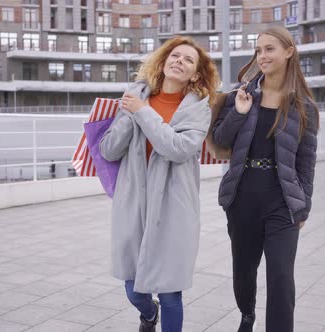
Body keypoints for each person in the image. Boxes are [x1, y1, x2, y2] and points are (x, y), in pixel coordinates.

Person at [99, 36, 219, 332]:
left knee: (170, 291)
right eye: (175, 56)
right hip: (134, 204)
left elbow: (178, 148)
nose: (180, 61)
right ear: (163, 62)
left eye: (188, 60)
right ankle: (147, 314)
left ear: (196, 74)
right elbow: (109, 150)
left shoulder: (198, 109)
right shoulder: (137, 97)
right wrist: (130, 113)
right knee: (133, 288)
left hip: (174, 208)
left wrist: (142, 111)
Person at [212, 26, 319, 332]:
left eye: (270, 49)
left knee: (282, 277)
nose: (262, 56)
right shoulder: (240, 96)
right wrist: (239, 112)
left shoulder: (304, 107)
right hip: (243, 197)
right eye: (258, 50)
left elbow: (306, 162)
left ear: (289, 52)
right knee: (243, 273)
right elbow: (220, 139)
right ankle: (247, 314)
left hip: (282, 202)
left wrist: (303, 207)